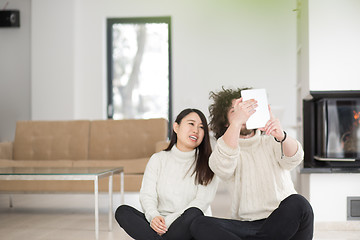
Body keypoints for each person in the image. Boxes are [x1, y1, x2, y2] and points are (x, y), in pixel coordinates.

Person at [190, 87, 314, 240]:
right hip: (246, 225)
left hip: (281, 222)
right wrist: (237, 123)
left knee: (300, 203)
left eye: (246, 110)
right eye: (235, 112)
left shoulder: (271, 139)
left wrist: (281, 136)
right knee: (199, 224)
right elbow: (222, 167)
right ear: (226, 122)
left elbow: (295, 158)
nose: (243, 116)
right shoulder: (224, 148)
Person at [115, 108, 219, 240]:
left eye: (201, 127)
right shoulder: (158, 159)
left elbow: (201, 203)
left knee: (194, 213)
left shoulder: (209, 164)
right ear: (176, 127)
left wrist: (166, 223)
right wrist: (154, 217)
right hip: (159, 221)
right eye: (191, 124)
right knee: (123, 211)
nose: (196, 130)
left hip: (189, 224)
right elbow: (147, 195)